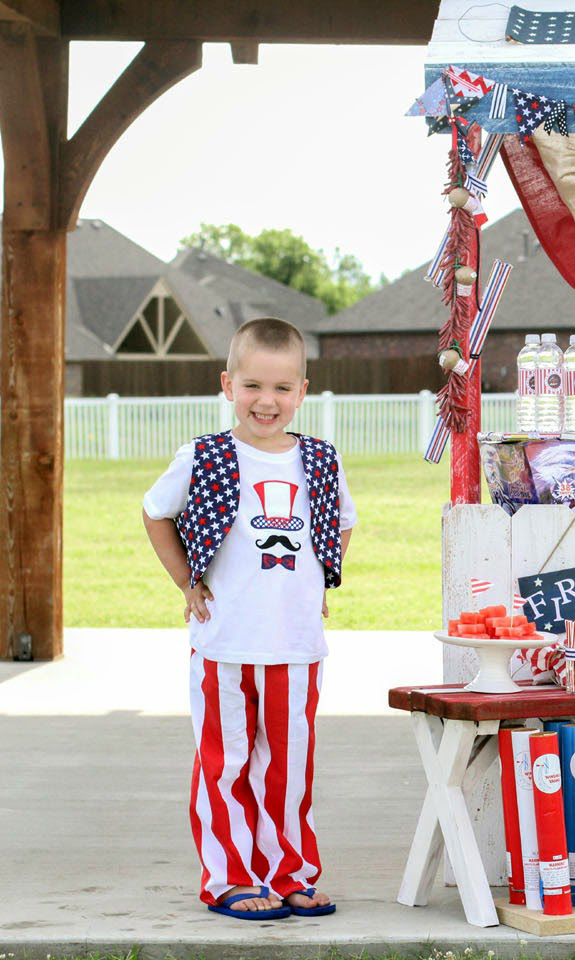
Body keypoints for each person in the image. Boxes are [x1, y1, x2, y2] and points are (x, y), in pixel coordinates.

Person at [142, 317, 357, 920]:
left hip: (294, 645)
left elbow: (338, 526)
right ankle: (230, 876)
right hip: (225, 644)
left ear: (303, 391)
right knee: (227, 763)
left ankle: (289, 872)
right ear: (228, 384)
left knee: (288, 769)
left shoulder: (320, 460)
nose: (267, 401)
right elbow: (156, 512)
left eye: (282, 388)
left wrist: (319, 582)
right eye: (253, 386)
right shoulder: (205, 457)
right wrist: (188, 580)